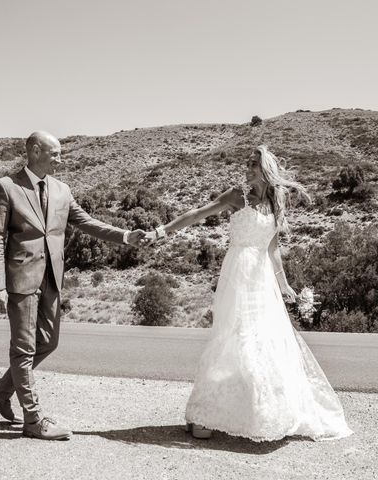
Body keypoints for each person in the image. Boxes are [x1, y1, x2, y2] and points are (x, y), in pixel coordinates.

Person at [147, 145, 353, 442]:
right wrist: (160, 232)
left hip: (262, 278)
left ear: (266, 168)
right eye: (247, 162)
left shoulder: (276, 201)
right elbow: (196, 215)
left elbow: (272, 246)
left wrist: (284, 285)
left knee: (262, 340)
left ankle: (258, 413)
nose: (248, 167)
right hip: (237, 273)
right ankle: (205, 413)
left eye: (254, 163)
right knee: (231, 337)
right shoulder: (237, 195)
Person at [0, 131, 147, 440]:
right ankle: (33, 420)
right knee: (23, 350)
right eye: (54, 153)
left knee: (49, 341)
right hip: (20, 279)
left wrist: (125, 236)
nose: (60, 159)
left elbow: (86, 222)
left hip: (52, 279)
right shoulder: (5, 187)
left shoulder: (61, 190)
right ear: (34, 151)